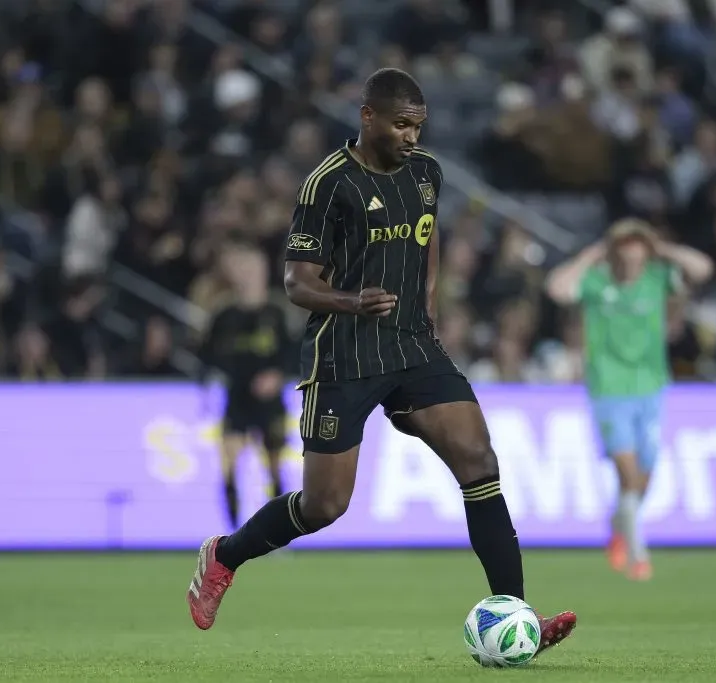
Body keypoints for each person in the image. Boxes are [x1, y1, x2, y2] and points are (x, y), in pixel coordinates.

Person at [187, 67, 577, 652]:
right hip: (343, 354)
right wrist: (352, 300)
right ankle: (225, 555)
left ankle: (517, 616)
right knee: (326, 505)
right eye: (401, 125)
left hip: (413, 345)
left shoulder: (426, 173)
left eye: (418, 126)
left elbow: (429, 232)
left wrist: (428, 303)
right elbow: (296, 281)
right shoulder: (328, 184)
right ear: (367, 116)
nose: (412, 136)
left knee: (478, 460)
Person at [546, 219, 713, 581]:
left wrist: (664, 249)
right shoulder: (596, 281)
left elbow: (703, 268)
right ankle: (639, 554)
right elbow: (557, 289)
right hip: (608, 388)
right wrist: (589, 255)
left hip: (651, 386)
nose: (632, 253)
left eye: (638, 245)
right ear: (615, 249)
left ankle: (619, 524)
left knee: (643, 473)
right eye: (625, 245)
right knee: (627, 469)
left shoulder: (657, 277)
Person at [196, 243, 292, 531]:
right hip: (236, 399)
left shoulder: (278, 311)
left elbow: (295, 350)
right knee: (229, 466)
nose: (246, 275)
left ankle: (278, 533)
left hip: (269, 402)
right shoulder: (223, 315)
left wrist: (277, 375)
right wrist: (211, 381)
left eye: (252, 269)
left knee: (274, 466)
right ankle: (233, 533)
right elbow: (206, 353)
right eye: (241, 269)